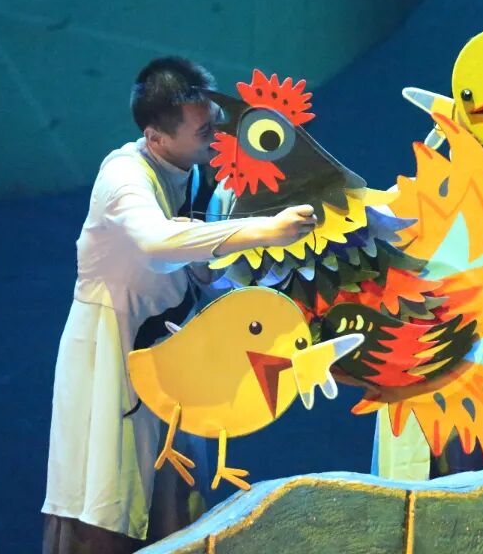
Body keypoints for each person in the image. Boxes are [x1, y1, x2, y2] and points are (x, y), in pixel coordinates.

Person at [42, 57, 318, 553]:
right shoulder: (123, 175)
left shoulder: (195, 175)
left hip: (172, 354)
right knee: (106, 494)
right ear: (156, 137)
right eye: (204, 131)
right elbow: (157, 243)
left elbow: (203, 271)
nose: (217, 137)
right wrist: (264, 230)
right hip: (112, 350)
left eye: (216, 123)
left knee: (176, 494)